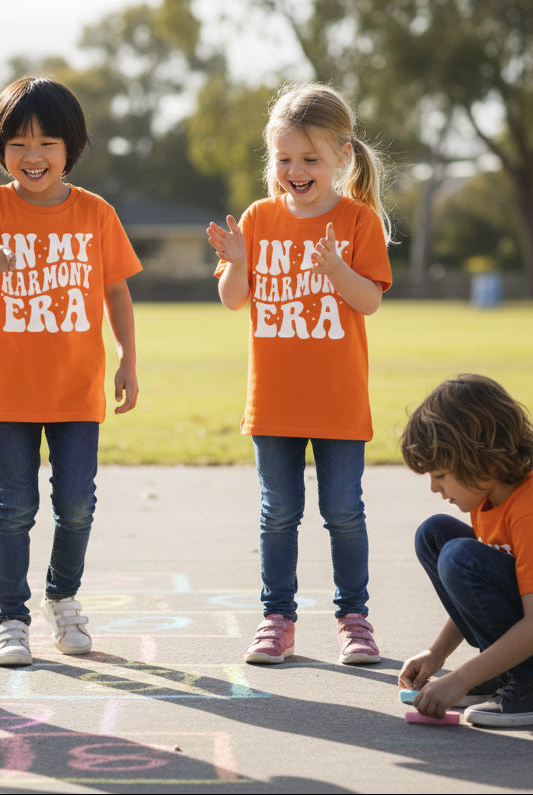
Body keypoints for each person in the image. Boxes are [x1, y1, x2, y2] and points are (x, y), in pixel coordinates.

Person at [0, 77, 141, 667]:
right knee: (16, 506)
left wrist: (129, 357)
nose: (33, 157)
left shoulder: (94, 212)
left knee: (77, 503)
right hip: (9, 388)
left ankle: (63, 596)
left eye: (47, 143)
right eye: (19, 144)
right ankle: (10, 617)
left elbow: (116, 290)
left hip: (77, 389)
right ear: (1, 149)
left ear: (71, 147)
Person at [207, 82, 392, 665]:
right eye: (284, 159)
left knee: (343, 510)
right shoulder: (259, 218)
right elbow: (233, 299)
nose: (296, 169)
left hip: (337, 400)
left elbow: (368, 301)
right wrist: (237, 262)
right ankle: (277, 618)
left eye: (310, 159)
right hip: (276, 402)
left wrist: (336, 267)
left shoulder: (358, 221)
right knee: (278, 510)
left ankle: (353, 618)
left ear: (342, 156)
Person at [399, 374, 533, 727]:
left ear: (484, 462)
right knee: (434, 535)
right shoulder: (487, 492)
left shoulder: (527, 507)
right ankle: (503, 668)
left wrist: (461, 680)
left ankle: (527, 680)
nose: (433, 487)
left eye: (441, 474)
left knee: (459, 555)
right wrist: (438, 653)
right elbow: (480, 581)